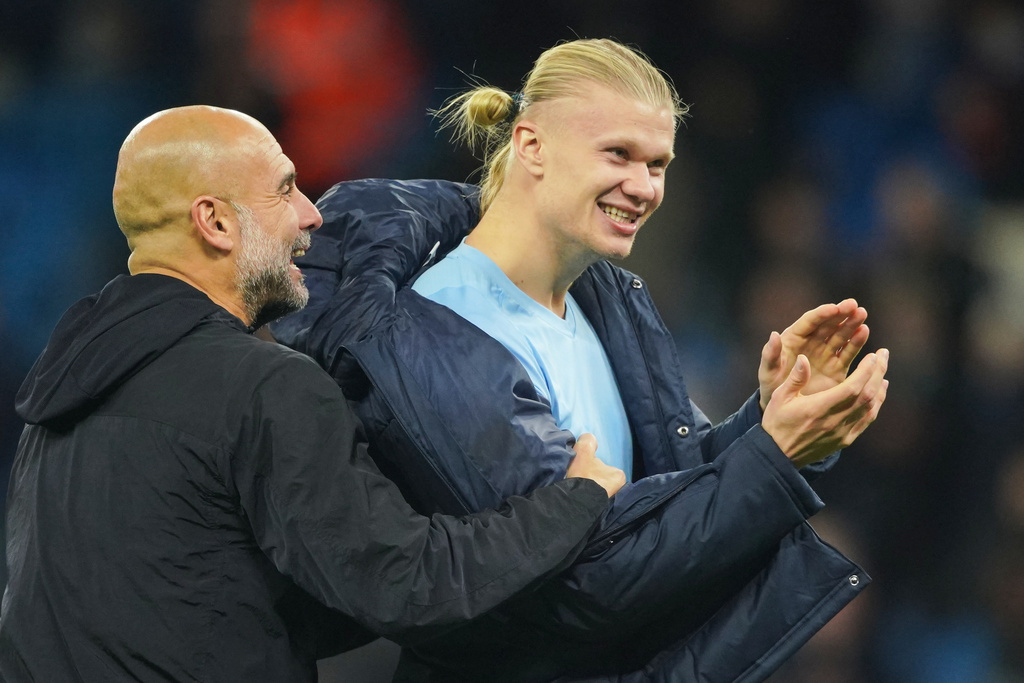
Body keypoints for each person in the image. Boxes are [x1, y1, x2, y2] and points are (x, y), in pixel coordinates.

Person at [272, 39, 889, 682]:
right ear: (531, 144)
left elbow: (664, 491)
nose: (644, 186)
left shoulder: (604, 298)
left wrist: (774, 418)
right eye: (618, 154)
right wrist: (775, 455)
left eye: (658, 163)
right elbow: (589, 580)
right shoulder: (442, 322)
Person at [0, 105, 628, 682]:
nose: (312, 213)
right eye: (283, 189)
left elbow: (219, 603)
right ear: (215, 222)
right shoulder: (260, 385)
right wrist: (573, 501)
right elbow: (404, 585)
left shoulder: (61, 392)